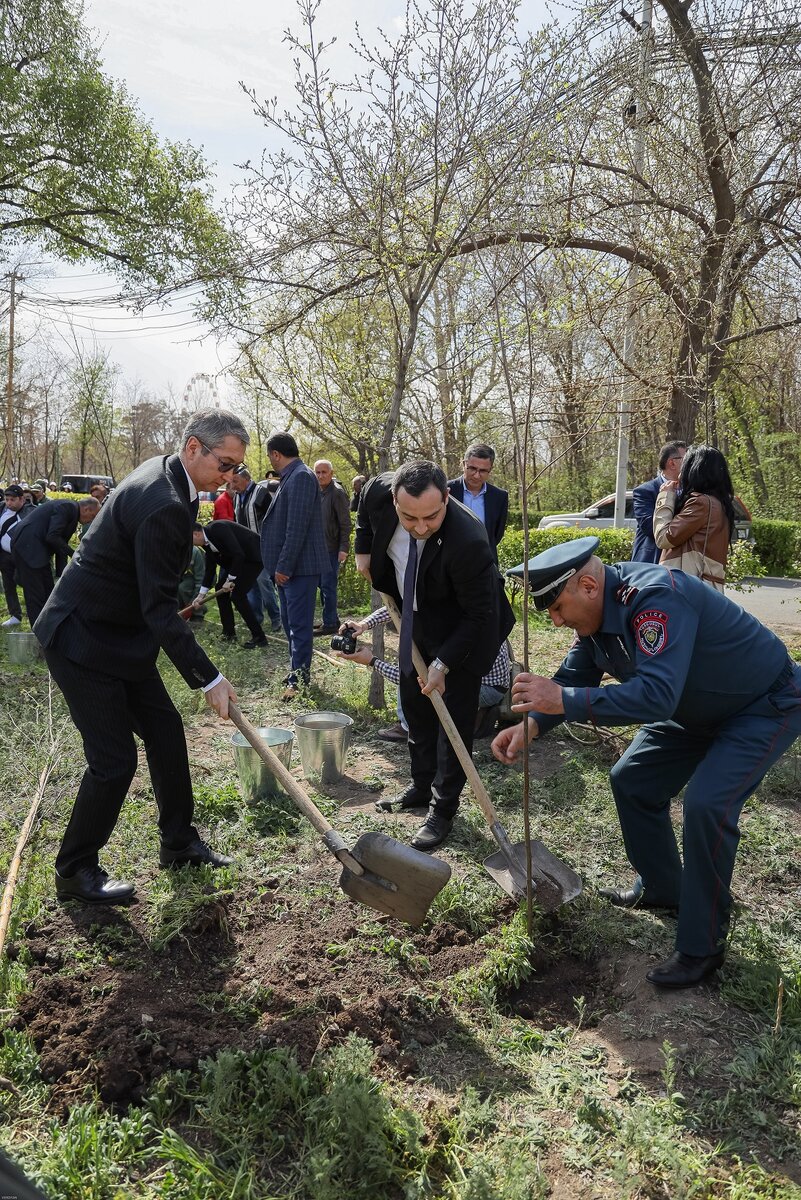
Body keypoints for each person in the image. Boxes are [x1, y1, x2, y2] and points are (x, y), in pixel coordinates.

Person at [492, 536, 801, 989]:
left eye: (558, 607)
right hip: (693, 710)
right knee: (632, 778)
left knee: (708, 805)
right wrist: (531, 726)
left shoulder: (655, 600)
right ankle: (663, 889)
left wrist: (565, 700)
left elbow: (656, 695)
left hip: (762, 705)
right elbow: (575, 677)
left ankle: (702, 948)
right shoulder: (596, 620)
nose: (556, 621)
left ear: (589, 586)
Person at [33, 408, 246, 906]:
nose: (230, 476)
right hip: (82, 639)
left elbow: (152, 594)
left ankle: (178, 841)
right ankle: (75, 869)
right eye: (226, 463)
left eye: (236, 467)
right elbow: (159, 610)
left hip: (120, 637)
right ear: (193, 447)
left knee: (167, 732)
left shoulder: (171, 475)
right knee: (113, 760)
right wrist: (209, 678)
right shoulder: (163, 500)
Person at [355, 461, 514, 850]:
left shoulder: (469, 541)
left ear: (447, 497)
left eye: (432, 516)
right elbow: (363, 514)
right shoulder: (379, 491)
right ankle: (420, 785)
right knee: (415, 707)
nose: (421, 527)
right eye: (409, 517)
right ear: (393, 499)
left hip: (468, 627)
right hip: (417, 615)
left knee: (452, 721)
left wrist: (442, 665)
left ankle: (443, 809)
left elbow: (479, 615)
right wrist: (363, 552)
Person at [336, 606, 511, 742]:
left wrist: (372, 661)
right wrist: (364, 624)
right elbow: (396, 607)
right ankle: (475, 715)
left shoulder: (451, 633)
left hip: (487, 688)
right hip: (497, 682)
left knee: (414, 673)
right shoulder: (462, 612)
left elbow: (409, 680)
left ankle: (407, 727)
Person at [260, 431, 328, 699]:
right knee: (291, 625)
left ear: (276, 454)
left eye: (270, 457)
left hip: (298, 569)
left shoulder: (299, 477)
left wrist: (284, 567)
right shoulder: (293, 476)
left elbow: (296, 528)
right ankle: (294, 674)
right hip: (291, 570)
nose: (271, 462)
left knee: (299, 627)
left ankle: (298, 681)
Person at [653, 444, 734, 591]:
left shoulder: (700, 503)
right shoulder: (719, 503)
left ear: (694, 468)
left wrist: (665, 497)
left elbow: (663, 538)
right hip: (707, 586)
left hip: (689, 586)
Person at [10, 496, 100, 625]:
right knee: (35, 594)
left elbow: (59, 545)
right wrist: (74, 555)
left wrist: (61, 574)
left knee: (49, 592)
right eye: (93, 516)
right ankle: (39, 633)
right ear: (86, 509)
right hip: (28, 548)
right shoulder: (67, 507)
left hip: (37, 551)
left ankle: (49, 629)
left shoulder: (72, 512)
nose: (91, 521)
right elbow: (53, 537)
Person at [192, 519, 267, 647]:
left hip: (253, 558)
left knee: (237, 594)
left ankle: (259, 637)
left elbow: (238, 554)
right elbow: (209, 571)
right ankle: (229, 633)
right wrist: (200, 596)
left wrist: (230, 580)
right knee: (220, 591)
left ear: (196, 534)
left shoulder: (217, 529)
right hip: (239, 563)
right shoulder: (206, 543)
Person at [230, 466, 281, 633]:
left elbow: (273, 520)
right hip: (246, 549)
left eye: (235, 481)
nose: (233, 486)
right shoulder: (237, 496)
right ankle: (256, 618)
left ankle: (276, 617)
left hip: (262, 547)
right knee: (250, 584)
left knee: (264, 582)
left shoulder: (261, 493)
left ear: (246, 479)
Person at [447, 442, 509, 561]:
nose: (476, 475)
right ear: (463, 464)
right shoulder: (446, 491)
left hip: (485, 563)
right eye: (472, 468)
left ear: (490, 469)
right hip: (449, 563)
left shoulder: (500, 497)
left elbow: (495, 535)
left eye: (483, 471)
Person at [631, 441, 687, 562]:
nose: (691, 464)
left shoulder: (692, 491)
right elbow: (650, 528)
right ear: (672, 463)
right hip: (651, 564)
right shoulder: (644, 491)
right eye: (686, 459)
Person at [313, 459, 352, 635]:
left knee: (328, 586)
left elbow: (345, 523)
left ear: (331, 472)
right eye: (318, 472)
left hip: (332, 547)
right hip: (318, 548)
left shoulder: (337, 493)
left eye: (324, 472)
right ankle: (332, 619)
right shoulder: (317, 491)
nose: (321, 476)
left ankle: (330, 624)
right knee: (323, 585)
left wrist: (344, 548)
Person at [0, 484, 28, 626]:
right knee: (8, 585)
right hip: (4, 556)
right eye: (7, 499)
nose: (9, 503)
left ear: (21, 499)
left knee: (28, 584)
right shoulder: (1, 508)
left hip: (23, 556)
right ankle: (15, 615)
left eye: (13, 500)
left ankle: (36, 612)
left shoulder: (30, 512)